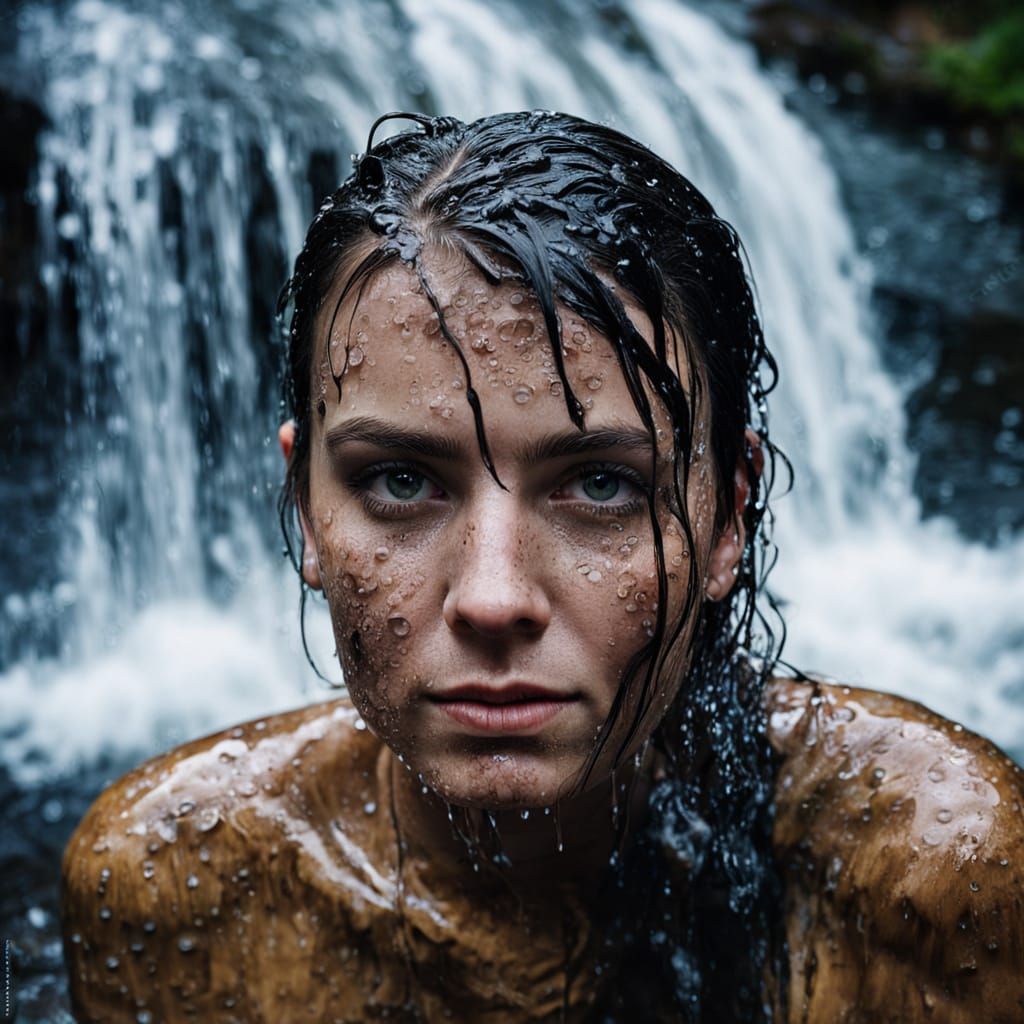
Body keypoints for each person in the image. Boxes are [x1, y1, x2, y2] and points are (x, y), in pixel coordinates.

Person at [61, 110, 1024, 1023]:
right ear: (305, 510)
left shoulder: (932, 871)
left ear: (729, 516)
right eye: (400, 481)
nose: (492, 598)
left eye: (601, 487)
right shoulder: (180, 881)